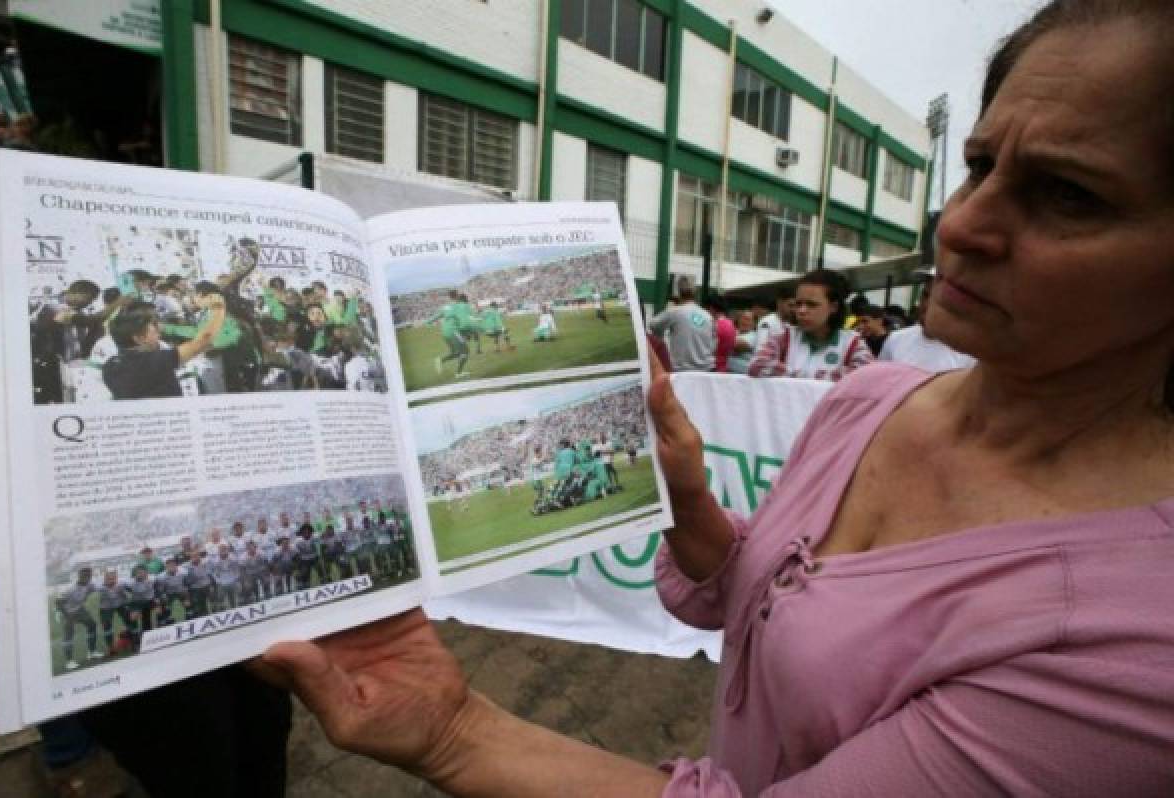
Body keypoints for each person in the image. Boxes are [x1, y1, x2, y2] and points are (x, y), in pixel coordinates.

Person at [259, 1, 1174, 794]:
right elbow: (765, 605)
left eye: (1068, 195)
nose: (965, 224)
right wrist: (689, 500)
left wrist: (457, 733)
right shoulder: (879, 396)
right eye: (978, 166)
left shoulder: (1138, 641)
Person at [748, 269, 874, 382]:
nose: (802, 311)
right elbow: (757, 366)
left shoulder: (853, 344)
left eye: (811, 304)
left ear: (834, 307)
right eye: (798, 304)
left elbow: (866, 377)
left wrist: (792, 375)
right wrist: (824, 377)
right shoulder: (783, 337)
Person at [102, 296, 226, 400]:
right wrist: (218, 308)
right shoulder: (154, 362)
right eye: (154, 325)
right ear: (139, 338)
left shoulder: (109, 366)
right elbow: (203, 341)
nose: (159, 330)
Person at [880, 272, 977, 372]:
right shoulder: (895, 340)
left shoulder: (968, 355)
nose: (927, 304)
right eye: (925, 295)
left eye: (938, 297)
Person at [647, 276, 715, 372]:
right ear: (695, 292)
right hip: (706, 370)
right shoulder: (708, 316)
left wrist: (660, 333)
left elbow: (653, 325)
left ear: (678, 293)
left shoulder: (675, 312)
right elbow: (713, 343)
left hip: (682, 371)